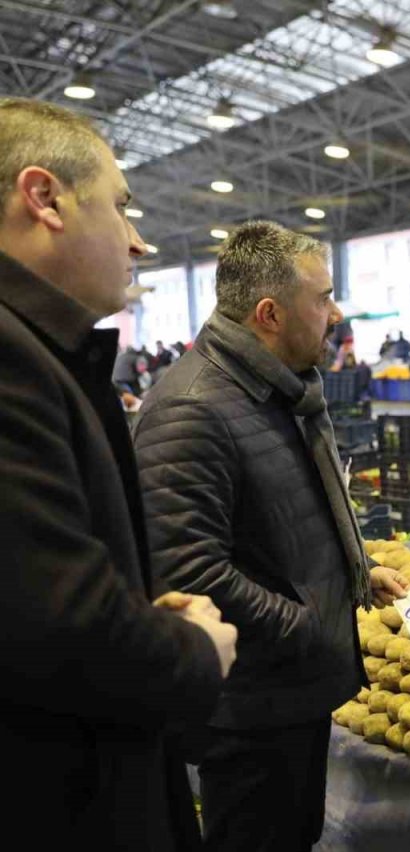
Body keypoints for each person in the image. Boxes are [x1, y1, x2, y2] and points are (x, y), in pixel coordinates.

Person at [0, 96, 235, 848]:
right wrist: (196, 648)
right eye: (121, 208)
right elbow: (61, 629)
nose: (137, 243)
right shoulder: (11, 362)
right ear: (45, 199)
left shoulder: (48, 355)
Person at [133, 221, 407, 852]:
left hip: (291, 689)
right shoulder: (193, 408)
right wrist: (307, 624)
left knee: (294, 834)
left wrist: (353, 574)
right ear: (269, 313)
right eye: (324, 298)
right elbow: (185, 569)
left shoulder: (275, 390)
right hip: (251, 707)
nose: (336, 314)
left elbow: (283, 518)